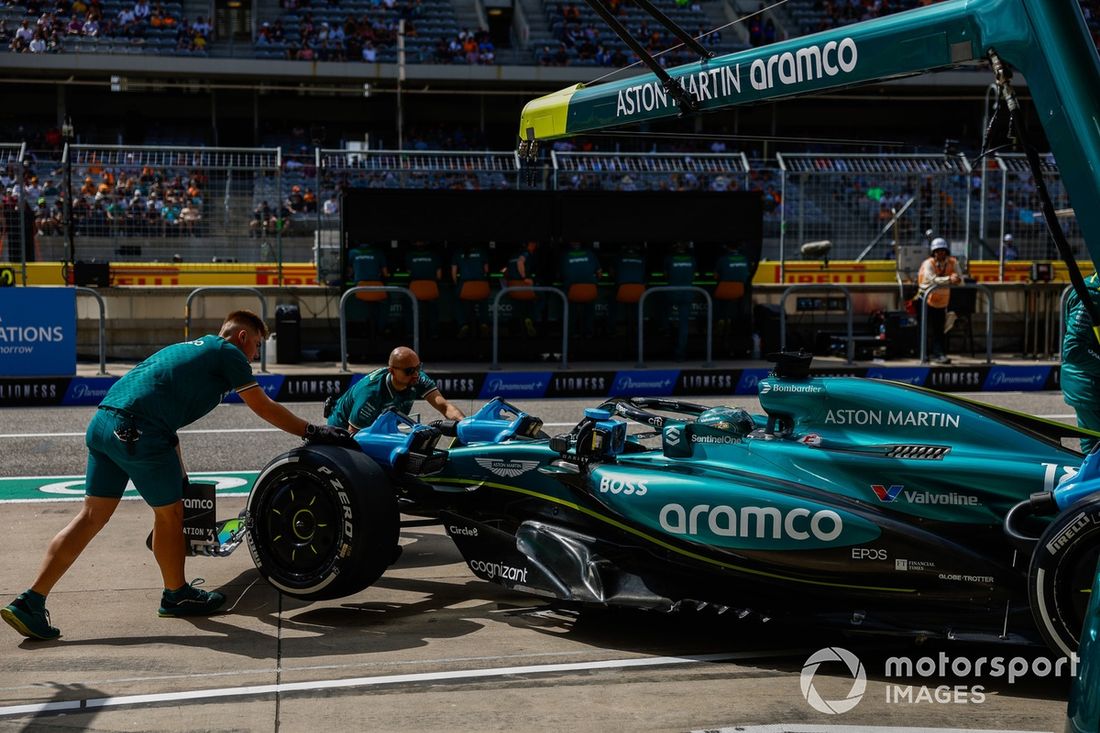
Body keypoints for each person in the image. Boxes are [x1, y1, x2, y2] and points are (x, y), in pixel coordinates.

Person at [1, 311, 346, 641]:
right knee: (170, 515)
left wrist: (180, 474)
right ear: (243, 337)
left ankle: (32, 600)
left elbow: (161, 408)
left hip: (104, 423)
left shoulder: (188, 349)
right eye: (256, 345)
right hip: (139, 430)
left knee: (91, 517)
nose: (255, 356)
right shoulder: (228, 352)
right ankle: (176, 594)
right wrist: (313, 431)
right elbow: (262, 406)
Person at [327, 346, 464, 432]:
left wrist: (466, 426)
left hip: (376, 427)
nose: (416, 374)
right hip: (343, 429)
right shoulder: (371, 393)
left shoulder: (416, 378)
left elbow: (445, 407)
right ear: (391, 371)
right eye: (410, 370)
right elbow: (354, 435)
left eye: (418, 367)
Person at [1061, 272, 1100, 453]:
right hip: (1088, 386)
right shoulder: (1092, 293)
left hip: (1090, 383)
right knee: (1094, 453)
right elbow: (1073, 348)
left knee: (1093, 452)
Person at [917, 237, 961, 364]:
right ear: (933, 252)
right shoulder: (928, 264)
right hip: (926, 300)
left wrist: (956, 278)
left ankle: (939, 354)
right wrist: (949, 279)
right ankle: (923, 354)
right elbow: (932, 279)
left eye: (942, 251)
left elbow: (959, 278)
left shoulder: (953, 262)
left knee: (939, 330)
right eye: (937, 251)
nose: (940, 253)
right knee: (923, 329)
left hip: (942, 302)